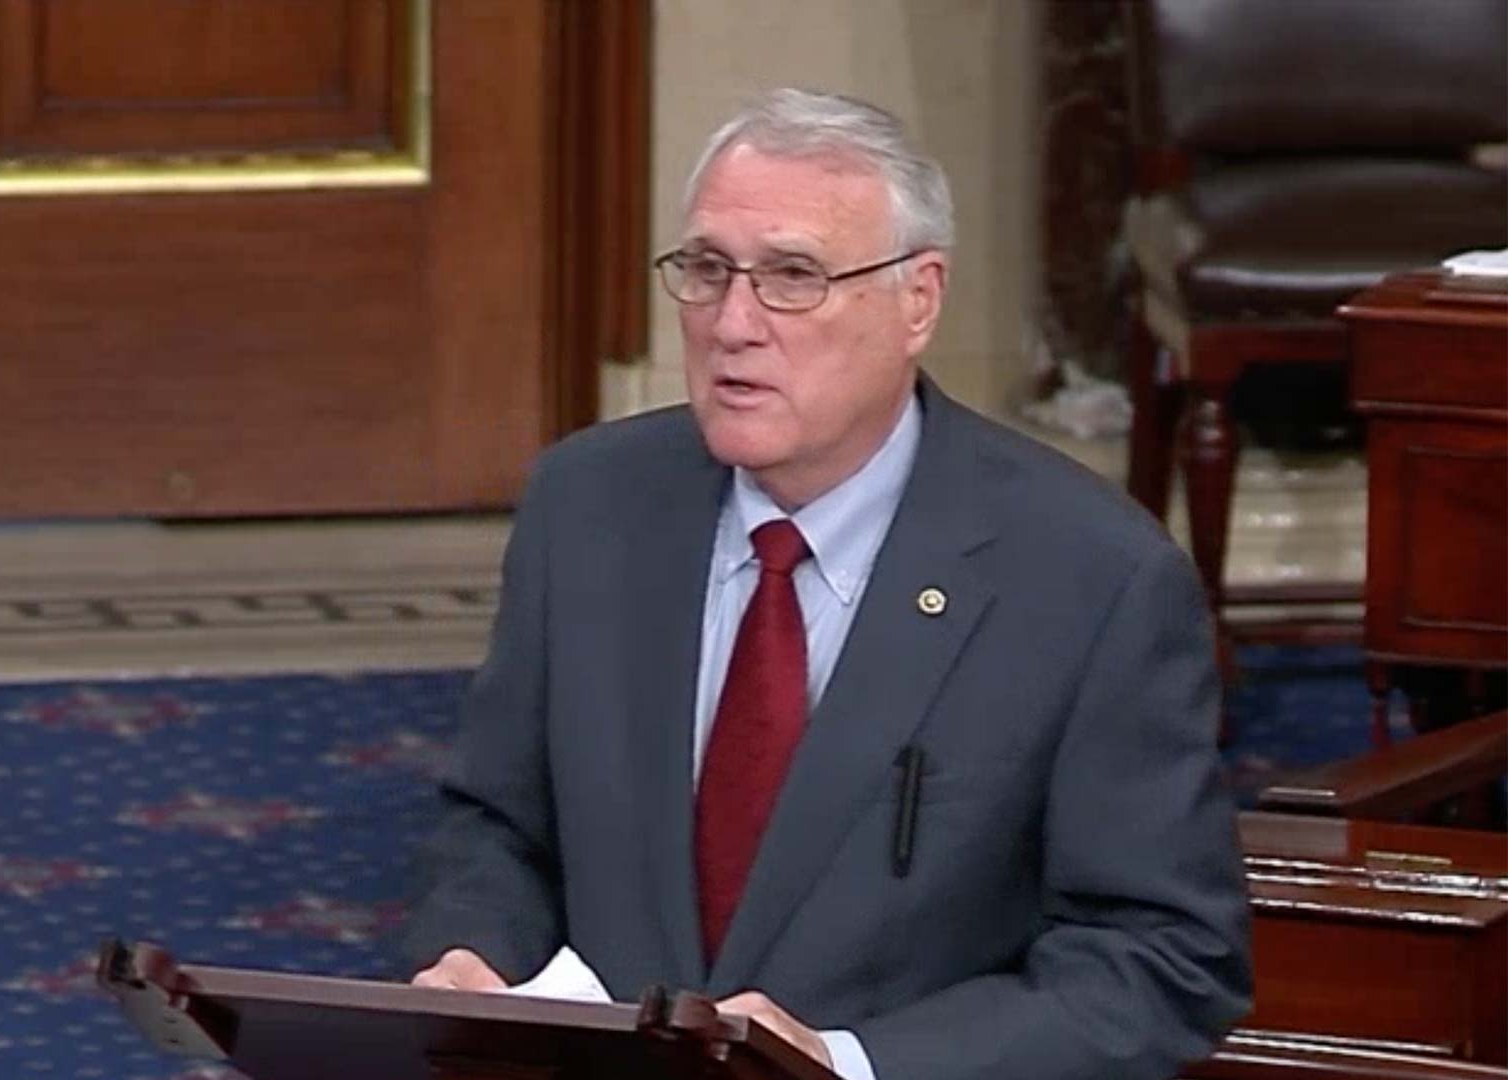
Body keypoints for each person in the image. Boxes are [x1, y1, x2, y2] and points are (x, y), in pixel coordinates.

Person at [401, 88, 1251, 1080]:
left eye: (793, 276)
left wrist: (848, 1064)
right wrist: (470, 955)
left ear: (918, 300)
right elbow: (497, 824)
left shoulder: (1093, 579)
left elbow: (1162, 961)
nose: (733, 323)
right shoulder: (586, 505)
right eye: (707, 270)